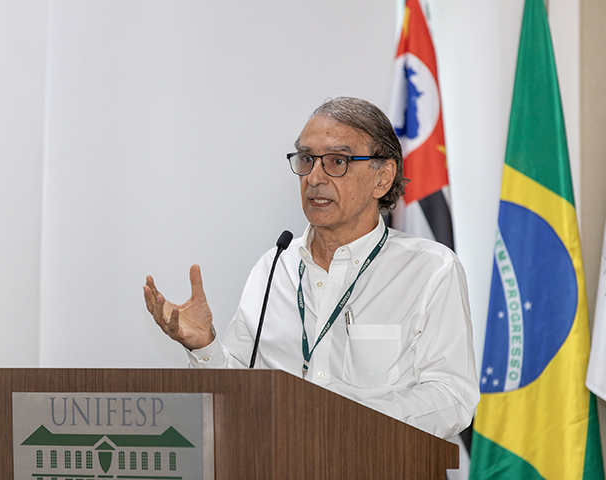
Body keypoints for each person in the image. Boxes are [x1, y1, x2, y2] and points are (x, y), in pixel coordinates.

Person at [143, 97, 479, 439]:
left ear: (383, 177)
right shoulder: (274, 267)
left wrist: (340, 421)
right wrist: (204, 346)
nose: (314, 177)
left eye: (337, 161)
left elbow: (452, 397)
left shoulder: (430, 269)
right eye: (306, 159)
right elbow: (236, 392)